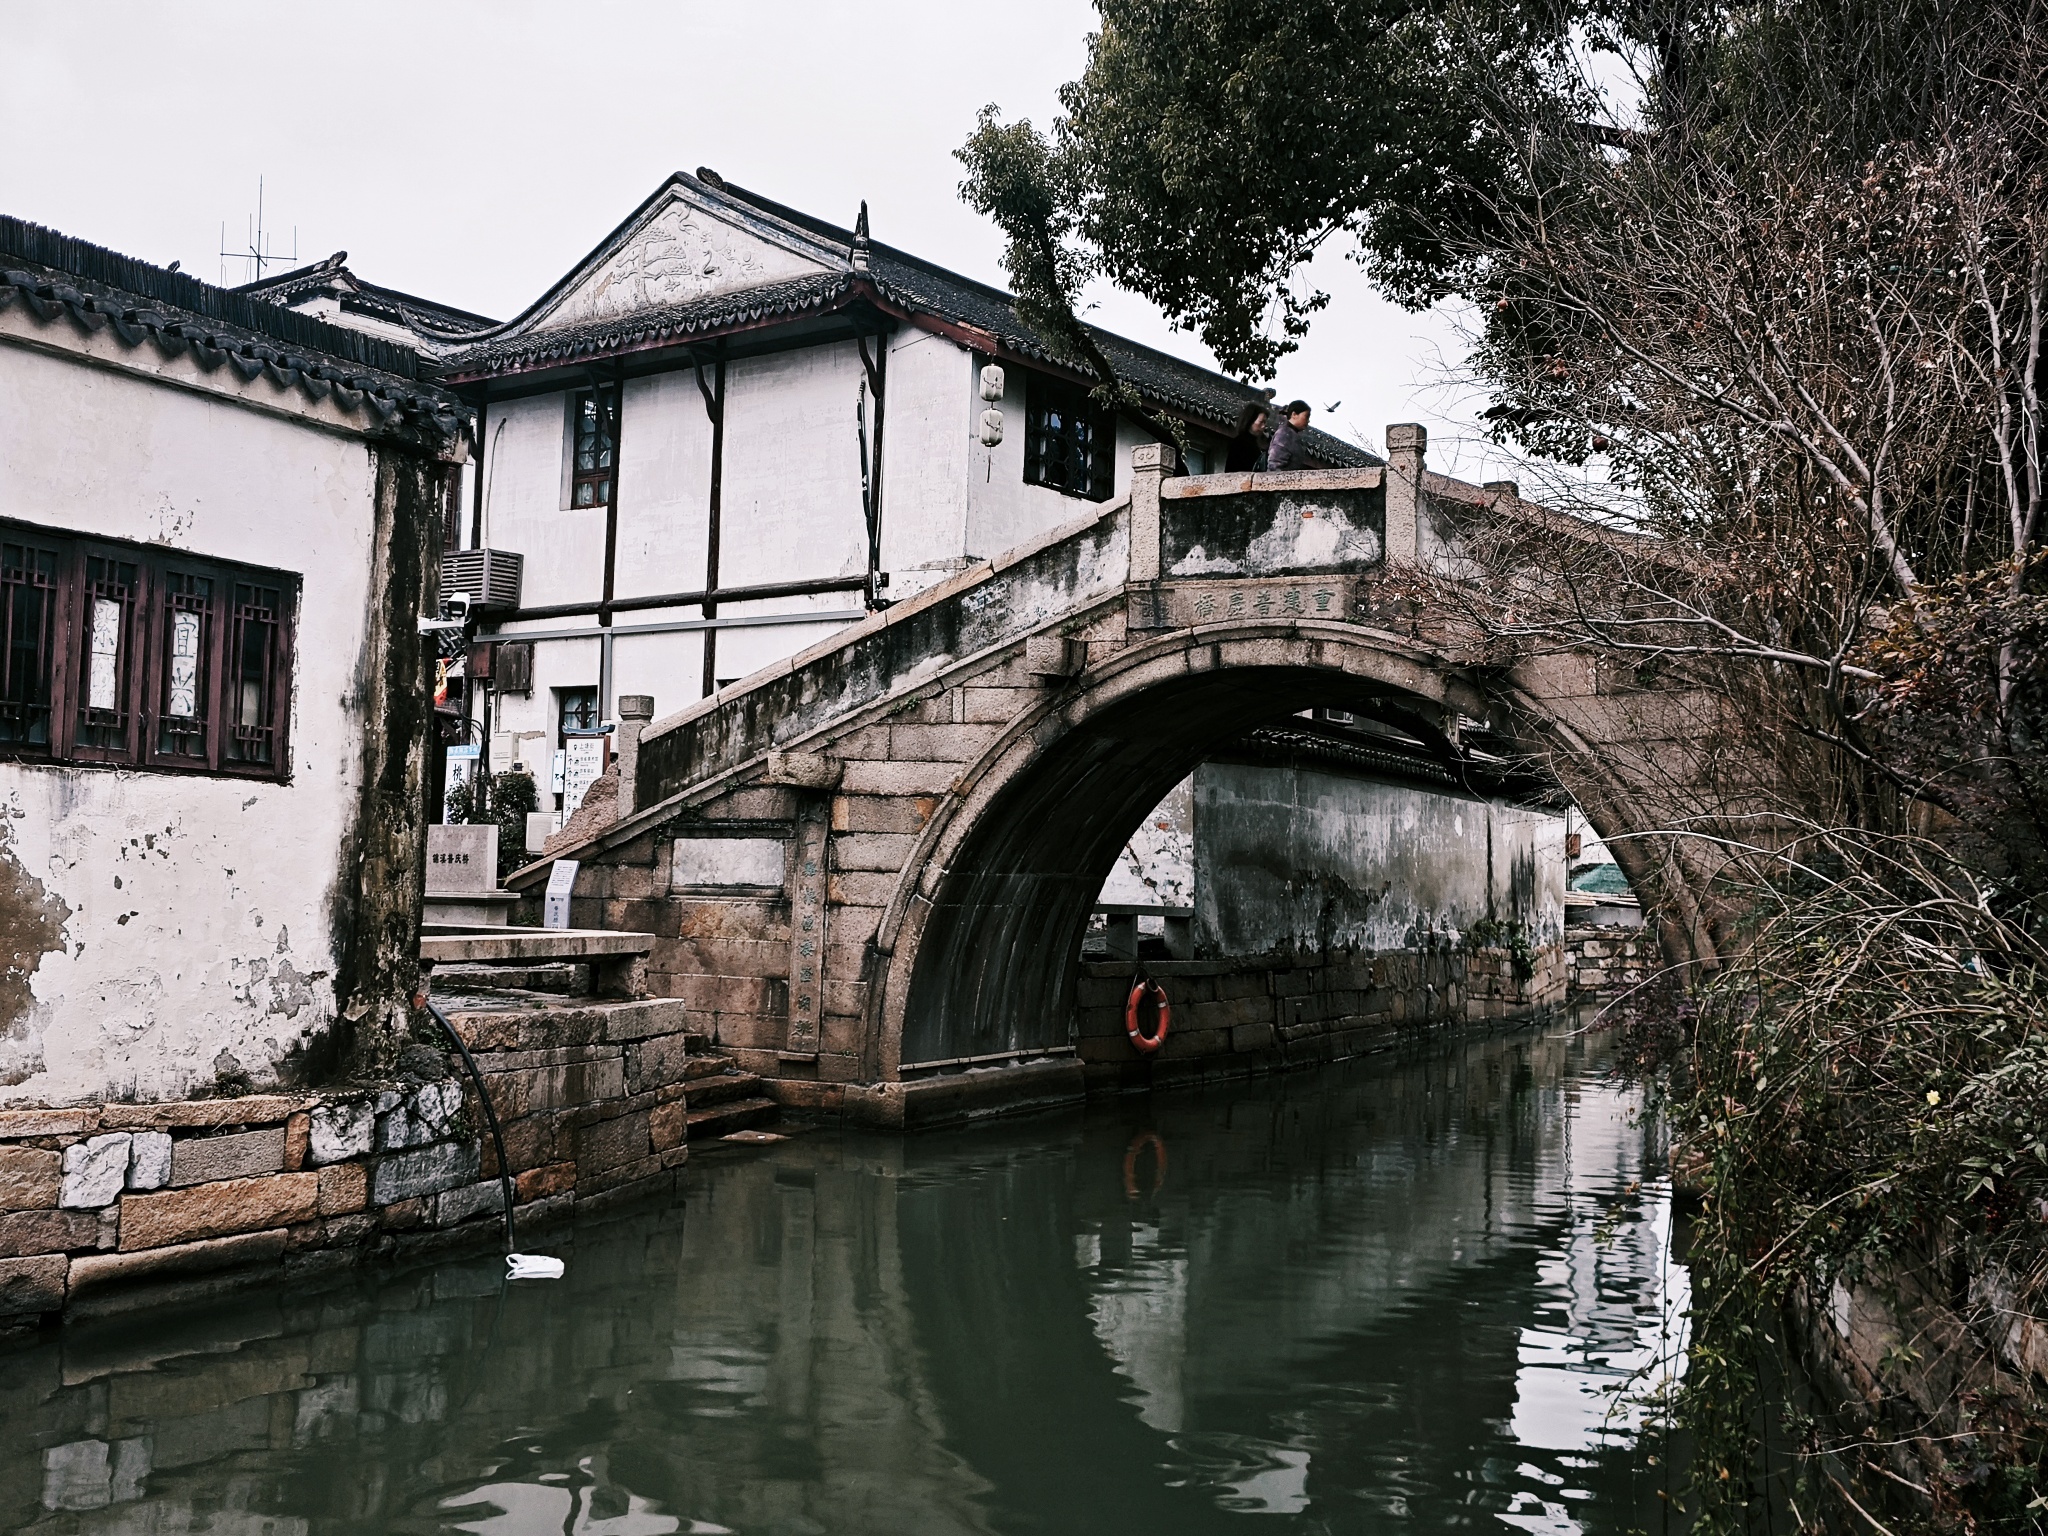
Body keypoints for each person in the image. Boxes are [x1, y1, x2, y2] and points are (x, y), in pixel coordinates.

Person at [1264, 401, 1312, 470]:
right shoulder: (1284, 434)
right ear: (1294, 414)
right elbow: (1275, 464)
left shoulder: (1291, 434)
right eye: (1306, 417)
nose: (1308, 421)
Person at [1223, 399, 1269, 472]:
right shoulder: (1240, 443)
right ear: (1250, 421)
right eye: (1261, 422)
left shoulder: (1255, 443)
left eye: (1265, 423)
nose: (1263, 426)